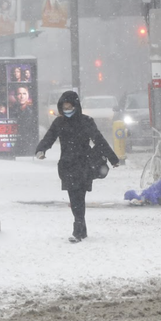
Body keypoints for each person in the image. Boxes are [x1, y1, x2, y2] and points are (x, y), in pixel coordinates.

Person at [35, 91, 119, 242]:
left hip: (84, 164)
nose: (67, 110)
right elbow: (49, 137)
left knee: (78, 196)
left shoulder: (86, 121)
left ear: (76, 106)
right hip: (67, 165)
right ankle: (81, 229)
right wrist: (41, 150)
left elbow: (99, 140)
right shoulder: (59, 123)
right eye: (64, 107)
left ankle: (78, 230)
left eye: (69, 107)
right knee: (75, 198)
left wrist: (113, 158)